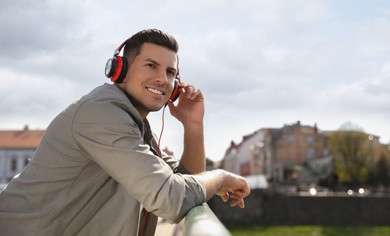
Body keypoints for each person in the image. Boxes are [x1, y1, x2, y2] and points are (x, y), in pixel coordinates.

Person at [0, 29, 250, 236]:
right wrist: (223, 177)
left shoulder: (135, 126)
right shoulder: (100, 114)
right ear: (120, 70)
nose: (163, 79)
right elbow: (170, 198)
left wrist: (193, 126)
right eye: (151, 65)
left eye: (170, 72)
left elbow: (186, 183)